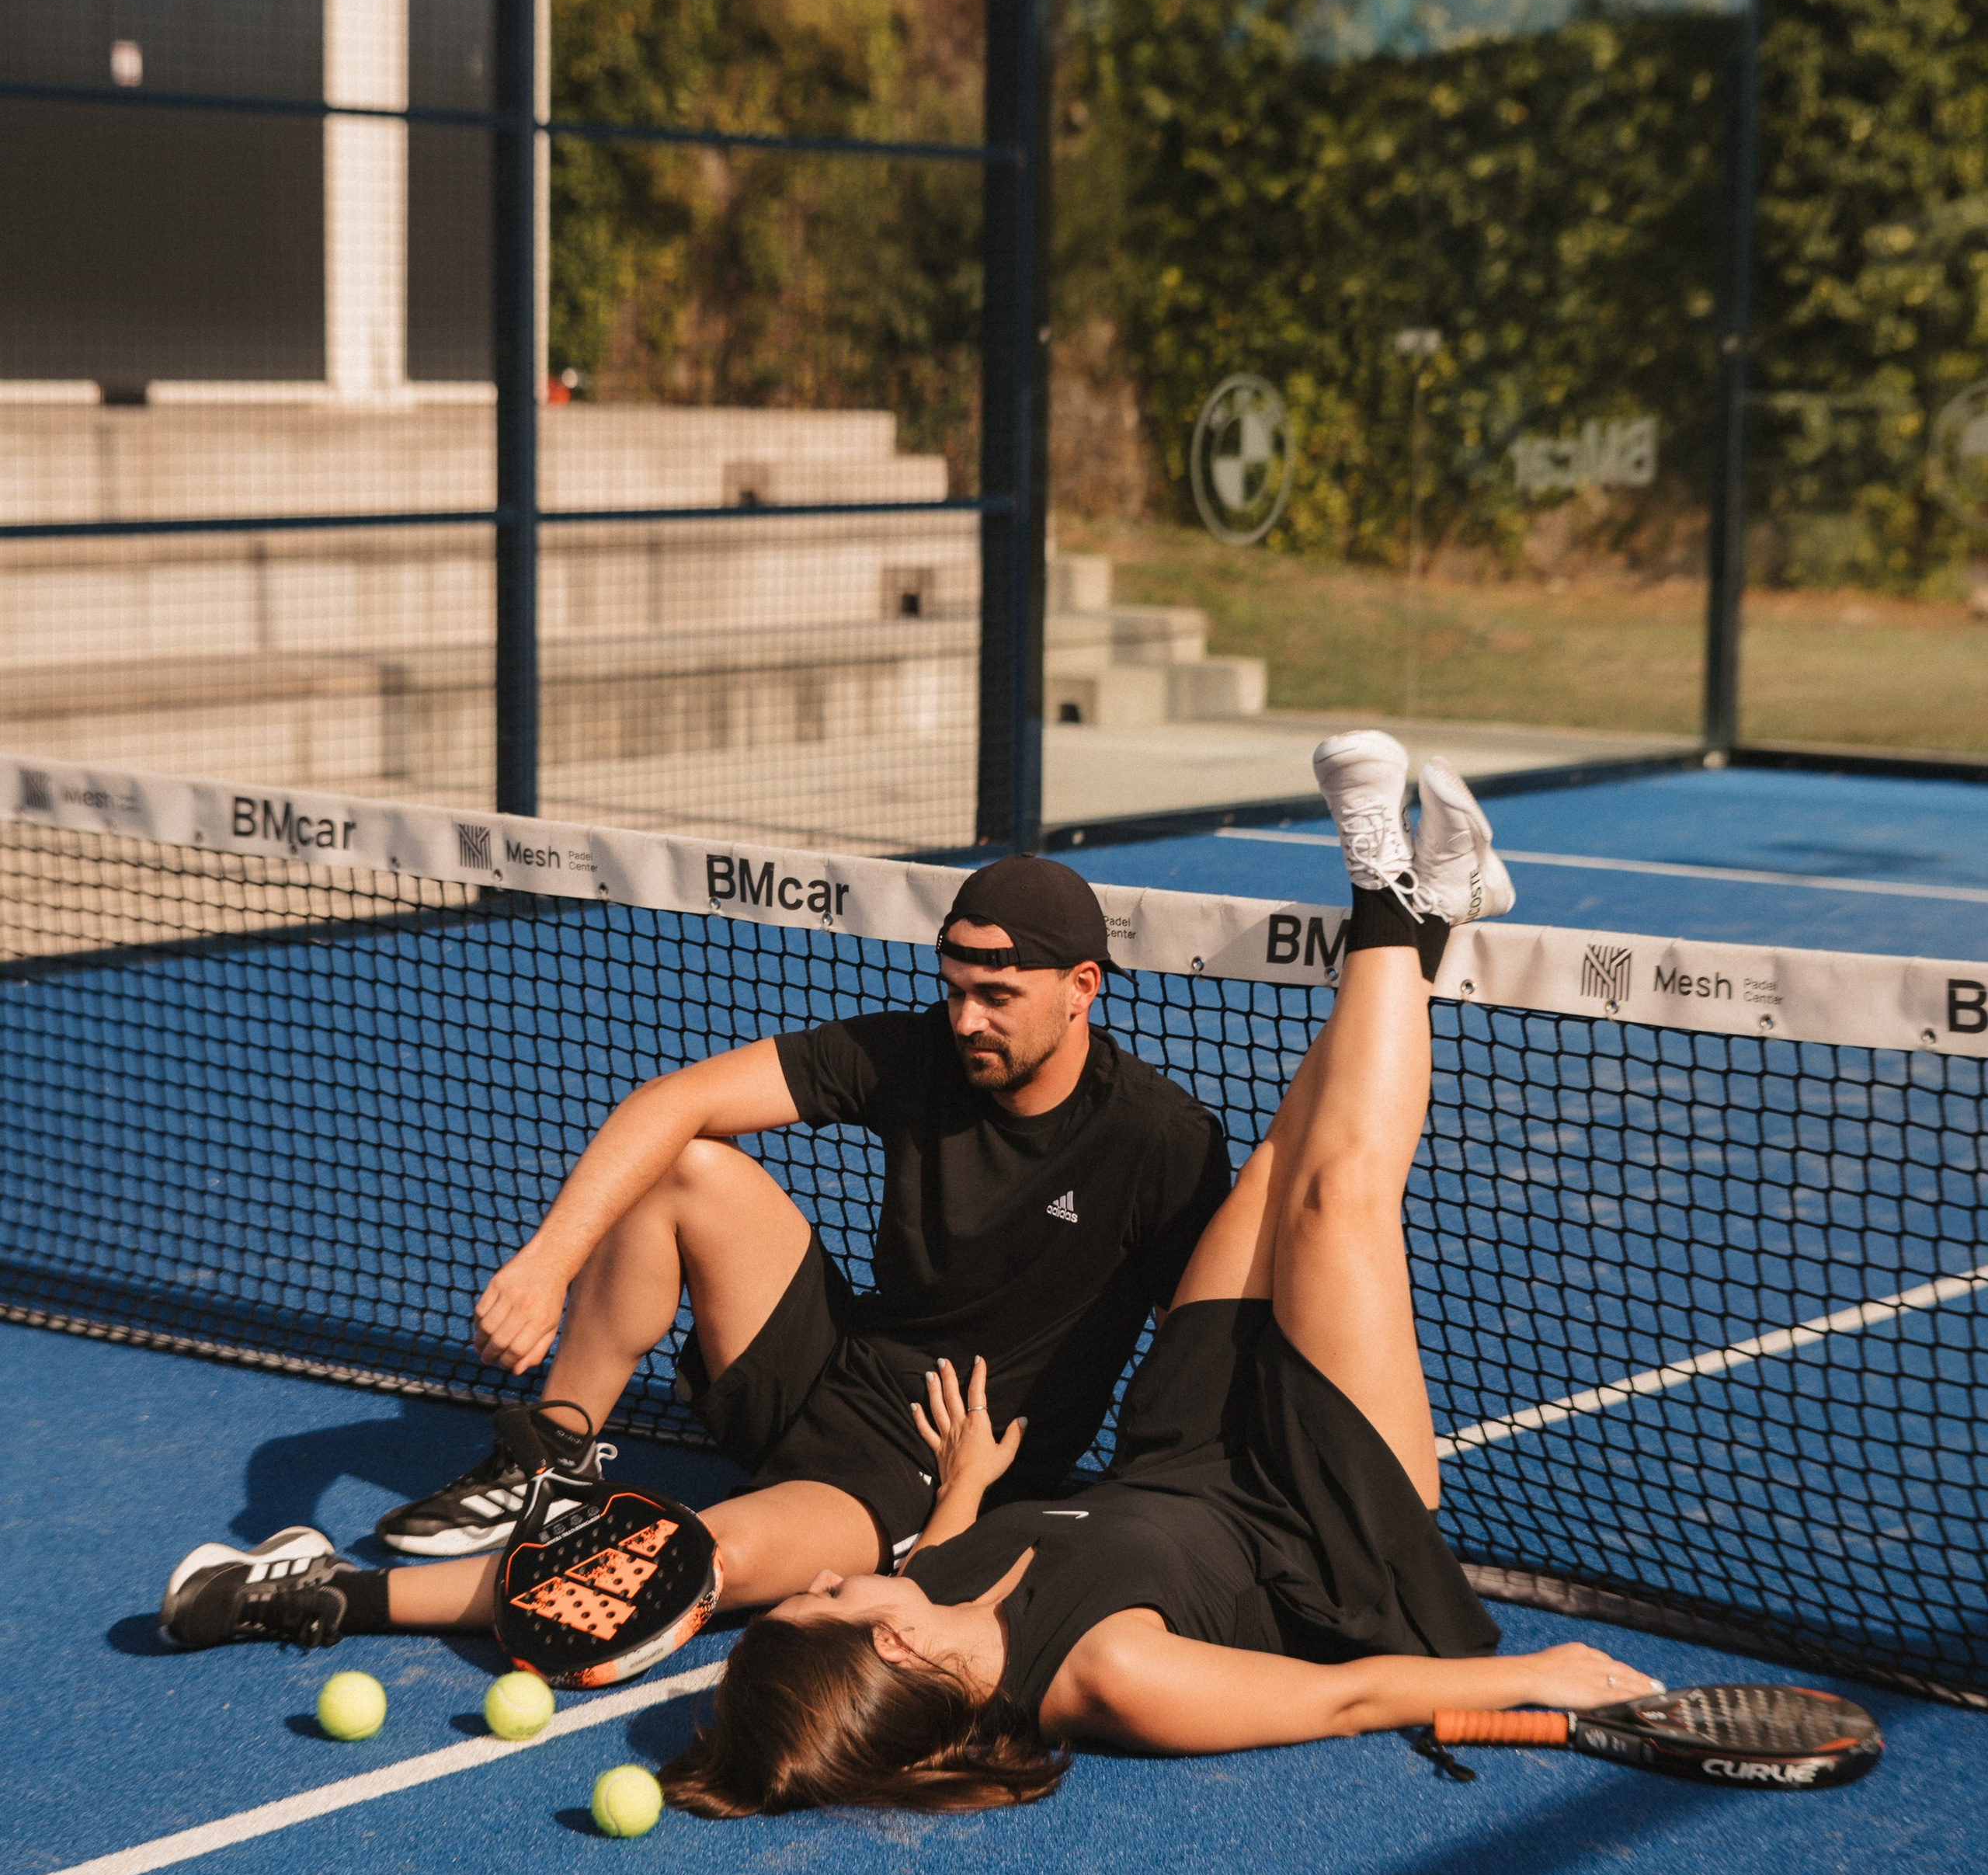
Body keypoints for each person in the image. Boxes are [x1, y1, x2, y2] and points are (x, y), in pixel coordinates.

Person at [654, 732, 1660, 1814]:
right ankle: (1385, 887)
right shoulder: (1110, 1681)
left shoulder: (920, 1589)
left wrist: (967, 1483)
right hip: (1327, 1523)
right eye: (814, 1608)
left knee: (1278, 1167)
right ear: (892, 1646)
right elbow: (1345, 1699)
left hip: (1179, 1443)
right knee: (1334, 1201)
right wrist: (1526, 1680)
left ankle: (1436, 906)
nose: (813, 1584)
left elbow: (940, 1541)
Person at [161, 854, 1233, 1647]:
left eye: (997, 997)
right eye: (953, 990)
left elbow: (1195, 1351)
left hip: (919, 1469)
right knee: (686, 1161)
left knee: (686, 1562)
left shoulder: (1160, 1142)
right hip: (827, 1368)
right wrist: (547, 1260)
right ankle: (554, 1461)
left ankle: (322, 1591)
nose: (964, 1022)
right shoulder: (916, 1051)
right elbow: (673, 1102)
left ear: (1082, 988)